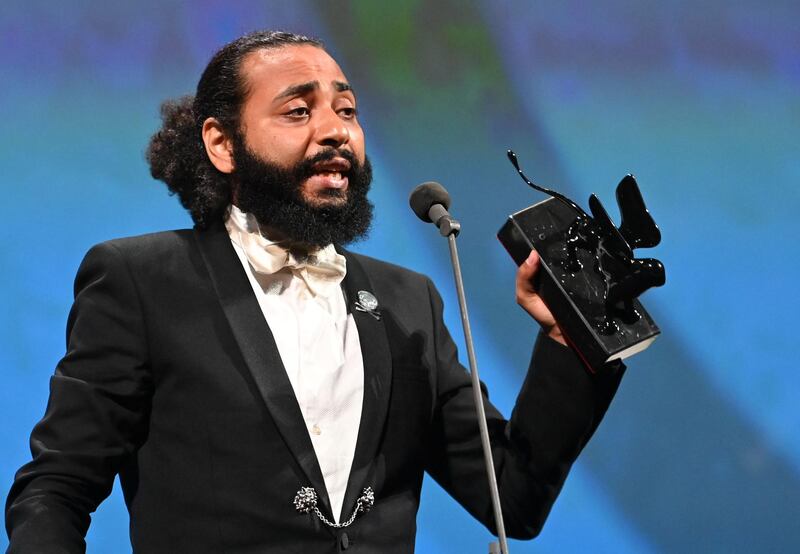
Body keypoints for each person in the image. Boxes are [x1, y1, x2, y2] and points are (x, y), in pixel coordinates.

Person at [5, 30, 624, 553]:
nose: (336, 132)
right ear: (222, 144)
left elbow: (512, 498)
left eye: (347, 111)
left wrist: (574, 338)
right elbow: (57, 487)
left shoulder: (410, 302)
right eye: (299, 111)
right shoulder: (143, 279)